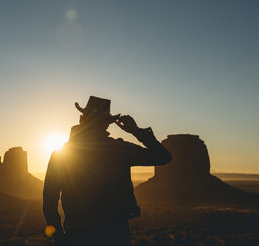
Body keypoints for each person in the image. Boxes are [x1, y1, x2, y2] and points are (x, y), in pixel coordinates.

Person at [43, 96, 172, 246]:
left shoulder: (61, 154)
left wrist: (59, 238)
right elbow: (163, 157)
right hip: (115, 234)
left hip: (77, 234)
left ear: (81, 119)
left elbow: (49, 202)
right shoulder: (120, 150)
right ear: (106, 125)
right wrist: (136, 131)